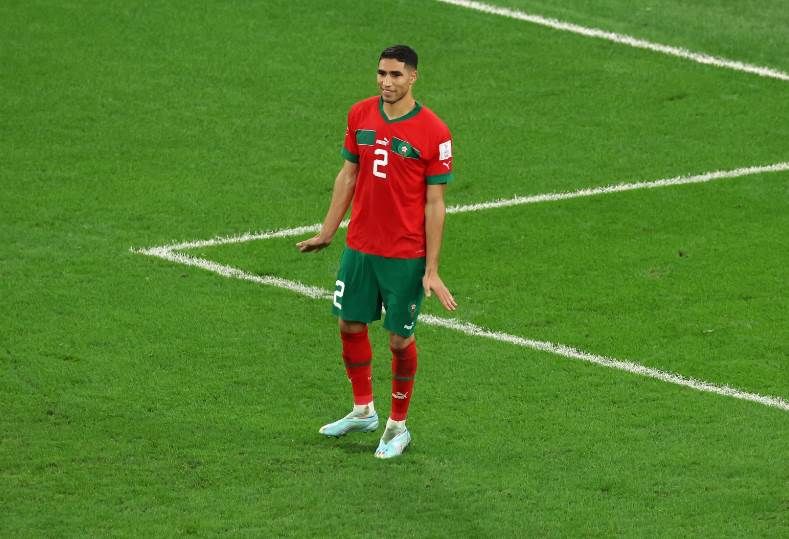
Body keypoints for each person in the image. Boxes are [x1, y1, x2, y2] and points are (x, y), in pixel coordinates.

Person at [297, 44, 457, 459]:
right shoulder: (360, 114)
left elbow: (435, 203)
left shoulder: (434, 131)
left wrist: (432, 269)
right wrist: (328, 231)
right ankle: (363, 410)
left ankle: (398, 427)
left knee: (400, 341)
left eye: (396, 75)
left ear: (413, 77)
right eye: (382, 73)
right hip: (361, 247)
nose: (387, 82)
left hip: (404, 254)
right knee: (350, 325)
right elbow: (348, 174)